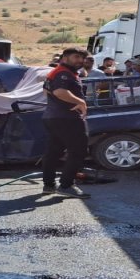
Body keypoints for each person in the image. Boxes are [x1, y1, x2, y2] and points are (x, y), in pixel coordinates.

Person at [40, 48, 91, 199]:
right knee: (78, 151)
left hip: (53, 117)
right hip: (66, 118)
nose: (80, 60)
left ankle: (49, 185)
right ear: (64, 58)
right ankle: (66, 186)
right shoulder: (64, 73)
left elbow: (46, 91)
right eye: (76, 57)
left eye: (82, 58)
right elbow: (59, 92)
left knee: (53, 152)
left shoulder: (57, 72)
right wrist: (80, 102)